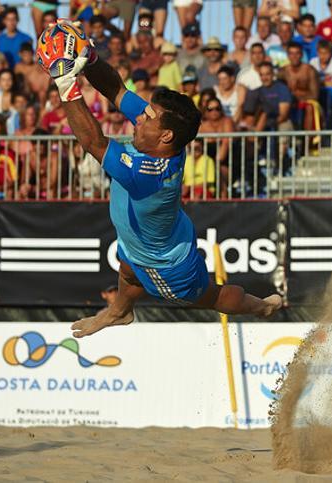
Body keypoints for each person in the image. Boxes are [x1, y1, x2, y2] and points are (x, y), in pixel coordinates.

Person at [36, 21, 282, 338]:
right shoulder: (163, 139)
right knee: (126, 268)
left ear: (165, 136)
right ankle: (120, 312)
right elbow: (117, 91)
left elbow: (93, 143)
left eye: (148, 116)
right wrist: (92, 59)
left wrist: (66, 81)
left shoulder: (147, 174)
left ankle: (259, 306)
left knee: (214, 296)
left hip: (168, 266)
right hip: (145, 240)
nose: (140, 116)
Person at [278, 41, 319, 130]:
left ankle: (308, 141)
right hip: (289, 103)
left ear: (301, 55)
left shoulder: (310, 71)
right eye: (291, 54)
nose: (294, 57)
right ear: (288, 55)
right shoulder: (282, 72)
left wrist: (296, 94)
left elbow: (315, 95)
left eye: (297, 53)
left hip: (307, 102)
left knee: (310, 107)